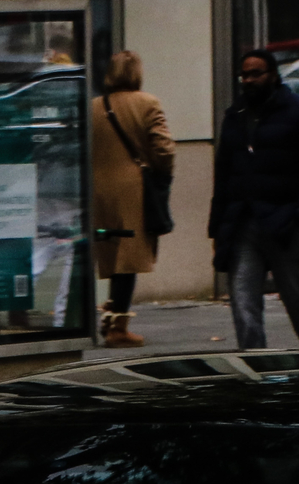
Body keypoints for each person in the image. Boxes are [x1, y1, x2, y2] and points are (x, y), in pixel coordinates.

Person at [210, 50, 299, 352]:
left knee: (297, 297)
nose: (250, 80)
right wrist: (218, 226)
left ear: (274, 75)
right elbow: (224, 173)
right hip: (243, 221)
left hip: (286, 222)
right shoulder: (236, 115)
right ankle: (255, 362)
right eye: (245, 74)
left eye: (257, 73)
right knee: (243, 299)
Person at [91, 51, 174, 350]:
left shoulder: (94, 107)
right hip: (133, 189)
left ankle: (111, 316)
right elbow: (164, 149)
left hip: (99, 190)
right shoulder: (147, 103)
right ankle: (118, 327)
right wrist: (161, 175)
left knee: (113, 256)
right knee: (129, 258)